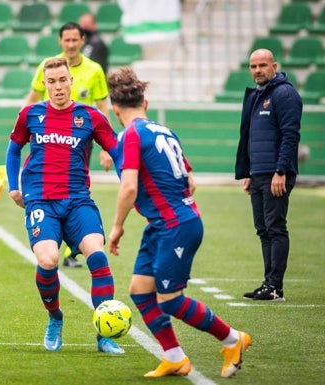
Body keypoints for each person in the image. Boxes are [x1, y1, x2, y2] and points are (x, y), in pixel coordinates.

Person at [106, 67, 251, 378]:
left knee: (170, 300)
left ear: (114, 109)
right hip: (167, 223)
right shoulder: (163, 130)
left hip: (175, 226)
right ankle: (174, 358)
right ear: (144, 104)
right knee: (140, 290)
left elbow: (129, 187)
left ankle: (232, 339)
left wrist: (117, 226)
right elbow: (191, 181)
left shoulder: (130, 135)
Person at [6, 57, 123, 355]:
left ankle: (104, 335)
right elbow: (14, 148)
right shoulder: (30, 114)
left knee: (97, 255)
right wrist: (13, 186)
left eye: (63, 80)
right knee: (48, 260)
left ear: (72, 81)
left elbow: (117, 151)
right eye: (52, 81)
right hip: (41, 201)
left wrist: (128, 183)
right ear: (44, 84)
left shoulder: (92, 116)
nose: (58, 87)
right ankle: (55, 318)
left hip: (78, 200)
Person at [24, 22, 112, 268]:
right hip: (46, 135)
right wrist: (22, 127)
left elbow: (103, 105)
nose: (71, 44)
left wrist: (106, 146)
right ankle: (58, 240)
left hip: (79, 135)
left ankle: (74, 244)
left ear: (82, 41)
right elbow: (31, 98)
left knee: (74, 187)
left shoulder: (95, 70)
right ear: (60, 42)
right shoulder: (47, 66)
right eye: (67, 40)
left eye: (75, 40)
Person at [235, 48, 302, 302]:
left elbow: (290, 135)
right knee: (263, 229)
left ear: (274, 66)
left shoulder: (285, 94)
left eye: (263, 65)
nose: (257, 71)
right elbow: (252, 137)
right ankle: (268, 284)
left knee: (275, 228)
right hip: (259, 173)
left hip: (276, 174)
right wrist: (249, 172)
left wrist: (281, 171)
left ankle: (275, 287)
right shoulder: (257, 95)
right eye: (253, 66)